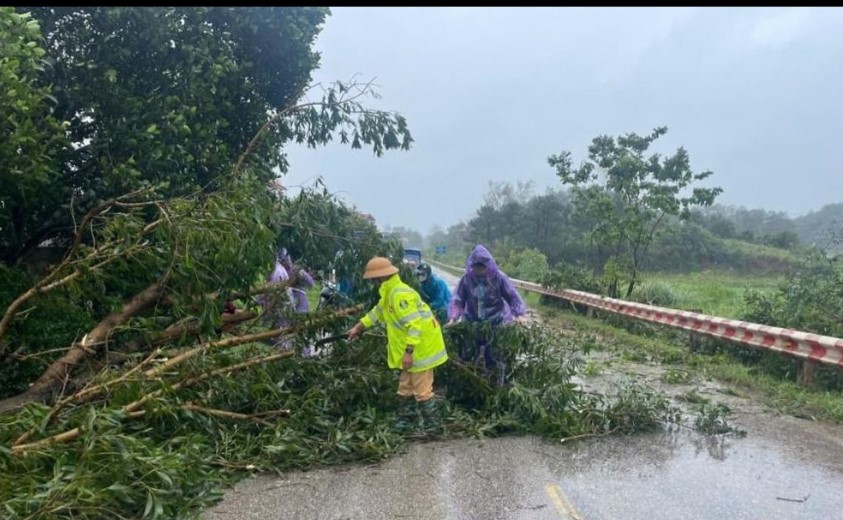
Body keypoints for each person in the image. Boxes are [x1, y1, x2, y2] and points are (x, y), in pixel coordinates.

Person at [346, 257, 448, 432]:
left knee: (422, 390)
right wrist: (359, 327)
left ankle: (434, 426)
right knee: (405, 386)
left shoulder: (399, 295)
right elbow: (377, 312)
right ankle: (405, 423)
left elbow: (414, 324)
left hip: (421, 348)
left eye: (372, 280)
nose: (372, 283)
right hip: (414, 347)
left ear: (379, 278)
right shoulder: (389, 292)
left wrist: (409, 352)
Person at [448, 244, 527, 386]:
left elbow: (512, 296)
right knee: (467, 355)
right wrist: (454, 317)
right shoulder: (466, 279)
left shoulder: (499, 278)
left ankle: (496, 387)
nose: (478, 270)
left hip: (495, 323)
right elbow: (458, 299)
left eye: (481, 267)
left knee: (495, 358)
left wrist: (519, 314)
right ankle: (468, 385)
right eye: (476, 267)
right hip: (472, 323)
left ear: (488, 266)